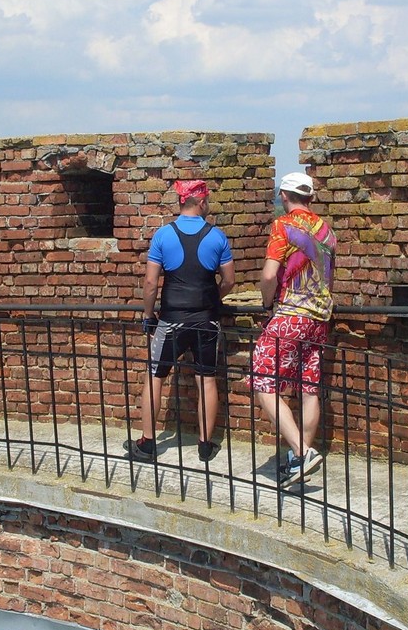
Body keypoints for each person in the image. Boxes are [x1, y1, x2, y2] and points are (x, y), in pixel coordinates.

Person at [124, 179, 236, 463]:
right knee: (206, 379)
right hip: (206, 320)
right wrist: (211, 298)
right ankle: (205, 445)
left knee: (155, 376)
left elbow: (151, 283)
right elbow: (229, 281)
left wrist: (148, 315)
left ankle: (148, 444)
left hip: (171, 319)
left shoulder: (163, 235)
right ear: (201, 202)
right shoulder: (217, 236)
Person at [251, 171, 336, 486]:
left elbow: (269, 275)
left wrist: (266, 302)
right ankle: (299, 463)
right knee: (309, 388)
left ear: (283, 196)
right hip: (320, 318)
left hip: (292, 315)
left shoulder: (283, 226)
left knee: (263, 380)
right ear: (310, 197)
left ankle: (302, 452)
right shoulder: (326, 230)